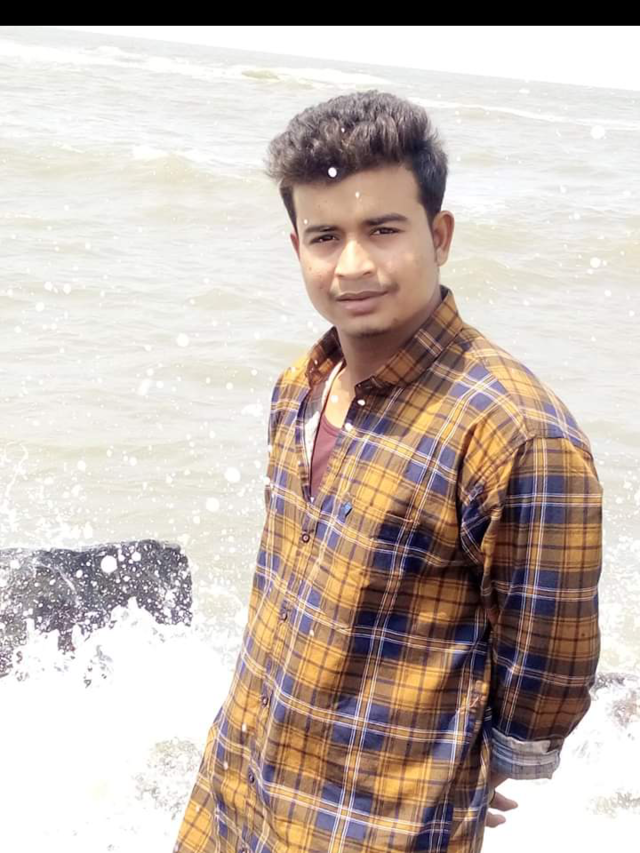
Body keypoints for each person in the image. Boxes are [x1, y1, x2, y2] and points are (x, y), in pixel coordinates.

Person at [174, 90, 602, 853]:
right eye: (325, 236)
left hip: (374, 827)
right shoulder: (300, 385)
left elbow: (548, 664)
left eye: (383, 229)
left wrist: (482, 766)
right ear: (297, 248)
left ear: (439, 235)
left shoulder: (513, 431)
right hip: (238, 792)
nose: (354, 264)